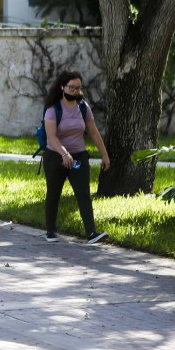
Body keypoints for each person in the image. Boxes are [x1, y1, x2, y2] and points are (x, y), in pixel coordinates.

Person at [42, 70, 110, 244]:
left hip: (79, 155)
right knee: (54, 193)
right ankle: (50, 231)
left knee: (83, 194)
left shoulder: (82, 107)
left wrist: (104, 155)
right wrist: (64, 153)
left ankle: (91, 233)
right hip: (55, 156)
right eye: (71, 87)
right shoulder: (53, 109)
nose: (75, 91)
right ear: (62, 87)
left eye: (78, 88)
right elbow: (51, 137)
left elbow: (93, 132)